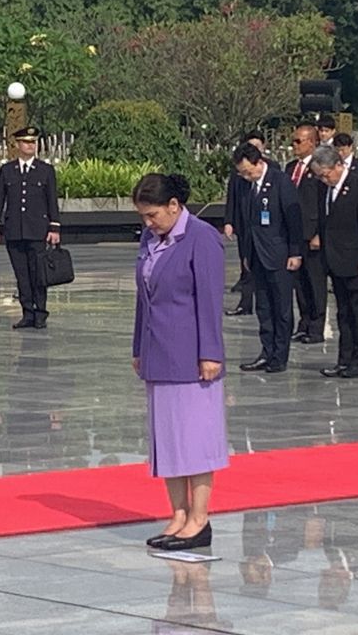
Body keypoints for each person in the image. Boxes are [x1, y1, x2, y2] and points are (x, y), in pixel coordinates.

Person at [131, 172, 227, 552]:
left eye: (153, 215)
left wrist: (211, 353)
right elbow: (144, 298)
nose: (148, 223)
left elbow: (209, 299)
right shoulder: (150, 239)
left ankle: (199, 519)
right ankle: (178, 514)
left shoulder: (201, 238)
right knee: (168, 441)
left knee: (195, 440)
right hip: (158, 352)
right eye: (143, 217)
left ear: (174, 206)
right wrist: (139, 345)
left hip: (190, 354)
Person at [233, 142, 302, 374]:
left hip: (279, 254)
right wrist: (246, 254)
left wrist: (295, 252)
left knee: (281, 307)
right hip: (256, 255)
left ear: (258, 162)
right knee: (263, 307)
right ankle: (266, 350)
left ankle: (279, 356)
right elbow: (247, 223)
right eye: (241, 172)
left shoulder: (280, 182)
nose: (245, 176)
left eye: (247, 171)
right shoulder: (247, 186)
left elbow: (293, 220)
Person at [312, 146, 358, 378]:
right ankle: (344, 359)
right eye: (320, 175)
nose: (324, 179)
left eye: (326, 174)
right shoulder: (325, 190)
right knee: (343, 314)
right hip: (335, 260)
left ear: (338, 165)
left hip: (357, 261)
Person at [0, 126, 61, 329]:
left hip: (37, 230)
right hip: (15, 230)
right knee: (22, 275)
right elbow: (0, 199)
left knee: (38, 273)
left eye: (33, 142)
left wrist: (54, 228)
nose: (30, 146)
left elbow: (51, 201)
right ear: (18, 145)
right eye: (27, 142)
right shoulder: (8, 170)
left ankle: (41, 312)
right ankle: (27, 312)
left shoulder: (45, 170)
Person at [286, 124, 327, 344]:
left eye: (298, 141)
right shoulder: (291, 167)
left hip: (313, 234)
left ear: (311, 142)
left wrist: (319, 233)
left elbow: (323, 204)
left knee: (315, 282)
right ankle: (304, 322)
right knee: (299, 282)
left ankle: (317, 327)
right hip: (295, 233)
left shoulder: (320, 167)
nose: (294, 145)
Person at [223, 130, 267, 317]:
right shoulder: (238, 173)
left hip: (265, 228)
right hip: (245, 225)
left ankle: (265, 305)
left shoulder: (271, 170)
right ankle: (245, 303)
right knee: (246, 265)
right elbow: (232, 197)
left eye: (257, 146)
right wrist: (229, 221)